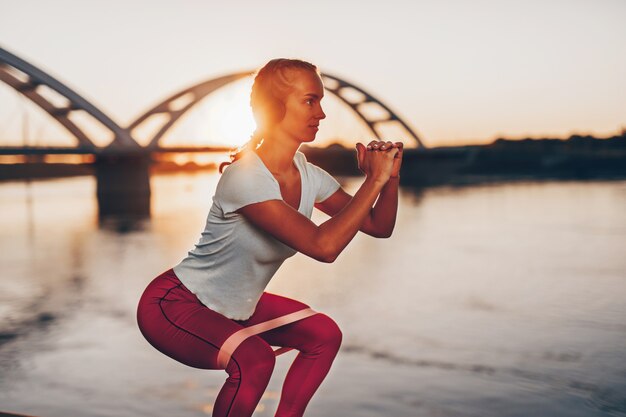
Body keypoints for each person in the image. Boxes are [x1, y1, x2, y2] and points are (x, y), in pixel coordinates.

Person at [136, 58, 403, 417]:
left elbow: (377, 226)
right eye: (310, 101)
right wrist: (372, 181)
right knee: (254, 360)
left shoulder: (310, 175)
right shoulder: (246, 177)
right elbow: (323, 247)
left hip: (236, 308)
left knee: (323, 334)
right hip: (175, 306)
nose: (321, 113)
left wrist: (389, 178)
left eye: (321, 101)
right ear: (275, 106)